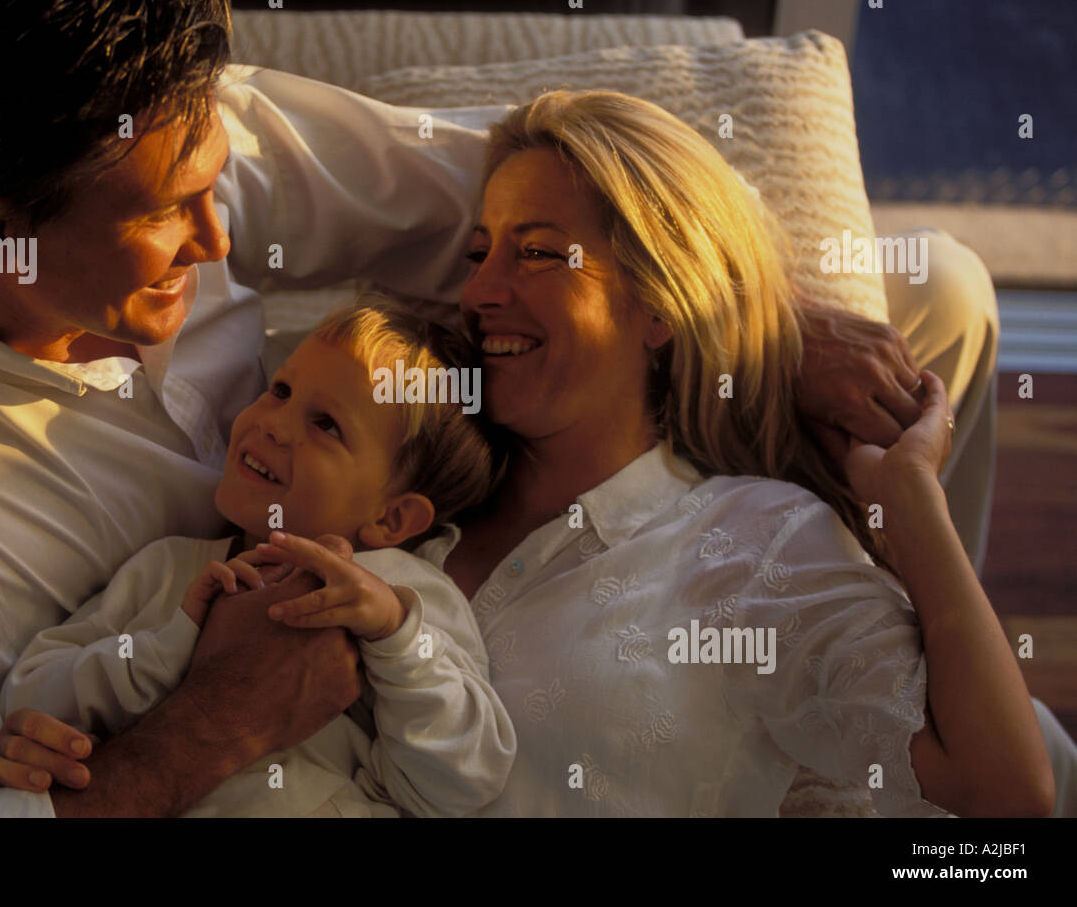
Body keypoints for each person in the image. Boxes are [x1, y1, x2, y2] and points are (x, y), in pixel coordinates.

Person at [0, 0, 1005, 818]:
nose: (226, 235)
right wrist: (196, 735)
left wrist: (764, 323)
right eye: (170, 217)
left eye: (221, 176)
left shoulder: (159, 134)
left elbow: (524, 190)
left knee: (943, 289)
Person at [411, 90, 1054, 816]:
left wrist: (911, 505)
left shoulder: (756, 546)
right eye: (478, 252)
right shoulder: (406, 489)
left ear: (658, 304)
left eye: (536, 253)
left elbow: (1007, 797)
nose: (480, 291)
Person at [0, 303, 515, 816]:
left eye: (327, 425)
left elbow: (465, 780)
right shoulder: (169, 571)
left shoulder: (406, 601)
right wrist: (165, 652)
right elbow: (27, 700)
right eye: (281, 391)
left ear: (392, 520)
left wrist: (395, 640)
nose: (275, 425)